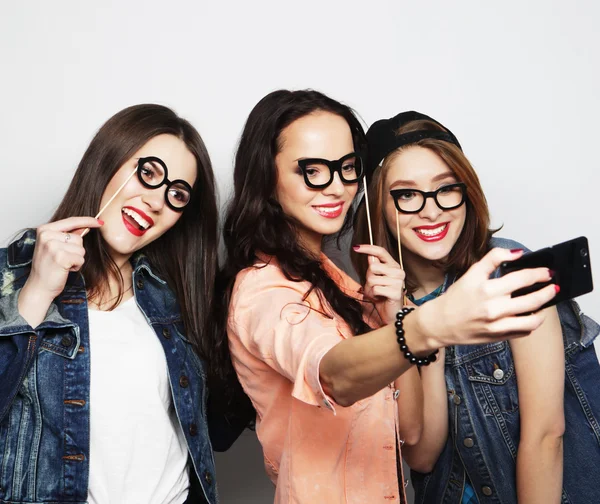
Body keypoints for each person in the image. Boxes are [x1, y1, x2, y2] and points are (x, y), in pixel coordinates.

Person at [215, 89, 557, 504]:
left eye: (346, 168)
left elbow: (411, 434)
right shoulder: (262, 288)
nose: (336, 186)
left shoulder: (345, 287)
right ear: (266, 179)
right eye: (312, 170)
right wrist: (429, 325)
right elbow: (333, 375)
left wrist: (398, 312)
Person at [353, 110, 600, 503]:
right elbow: (422, 454)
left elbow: (545, 435)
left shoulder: (508, 272)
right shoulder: (381, 304)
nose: (431, 210)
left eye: (446, 188)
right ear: (379, 205)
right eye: (407, 195)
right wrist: (408, 322)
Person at [0, 104, 240, 504]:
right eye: (148, 173)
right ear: (107, 159)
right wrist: (38, 291)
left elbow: (218, 432)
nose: (156, 201)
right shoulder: (10, 273)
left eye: (176, 194)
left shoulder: (179, 300)